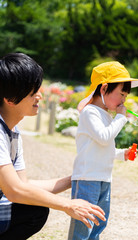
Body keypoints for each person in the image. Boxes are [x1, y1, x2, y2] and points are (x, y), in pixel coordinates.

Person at [0, 53, 106, 240]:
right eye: (33, 92)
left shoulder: (12, 130)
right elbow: (15, 191)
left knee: (34, 209)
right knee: (33, 210)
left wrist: (75, 179)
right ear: (10, 99)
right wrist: (68, 205)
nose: (39, 96)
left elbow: (22, 185)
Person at [68, 61, 138, 240]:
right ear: (103, 89)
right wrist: (121, 118)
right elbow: (103, 137)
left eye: (125, 95)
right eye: (121, 94)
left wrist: (121, 153)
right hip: (87, 178)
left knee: (98, 224)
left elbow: (103, 146)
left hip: (103, 178)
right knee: (83, 225)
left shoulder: (105, 115)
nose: (124, 100)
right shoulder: (90, 113)